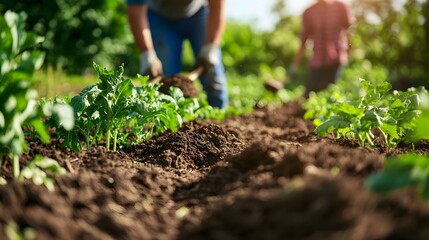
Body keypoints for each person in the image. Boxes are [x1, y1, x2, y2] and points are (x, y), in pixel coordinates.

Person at [126, 0, 228, 109]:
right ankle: (174, 121)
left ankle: (218, 114)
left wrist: (210, 46)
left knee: (212, 73)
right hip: (160, 16)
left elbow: (218, 4)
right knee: (167, 84)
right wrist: (147, 53)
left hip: (198, 12)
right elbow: (135, 8)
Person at [290, 0, 353, 97]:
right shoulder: (309, 12)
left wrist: (349, 50)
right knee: (309, 95)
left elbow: (348, 30)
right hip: (317, 61)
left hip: (336, 60)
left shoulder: (341, 7)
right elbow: (303, 41)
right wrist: (295, 66)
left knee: (331, 95)